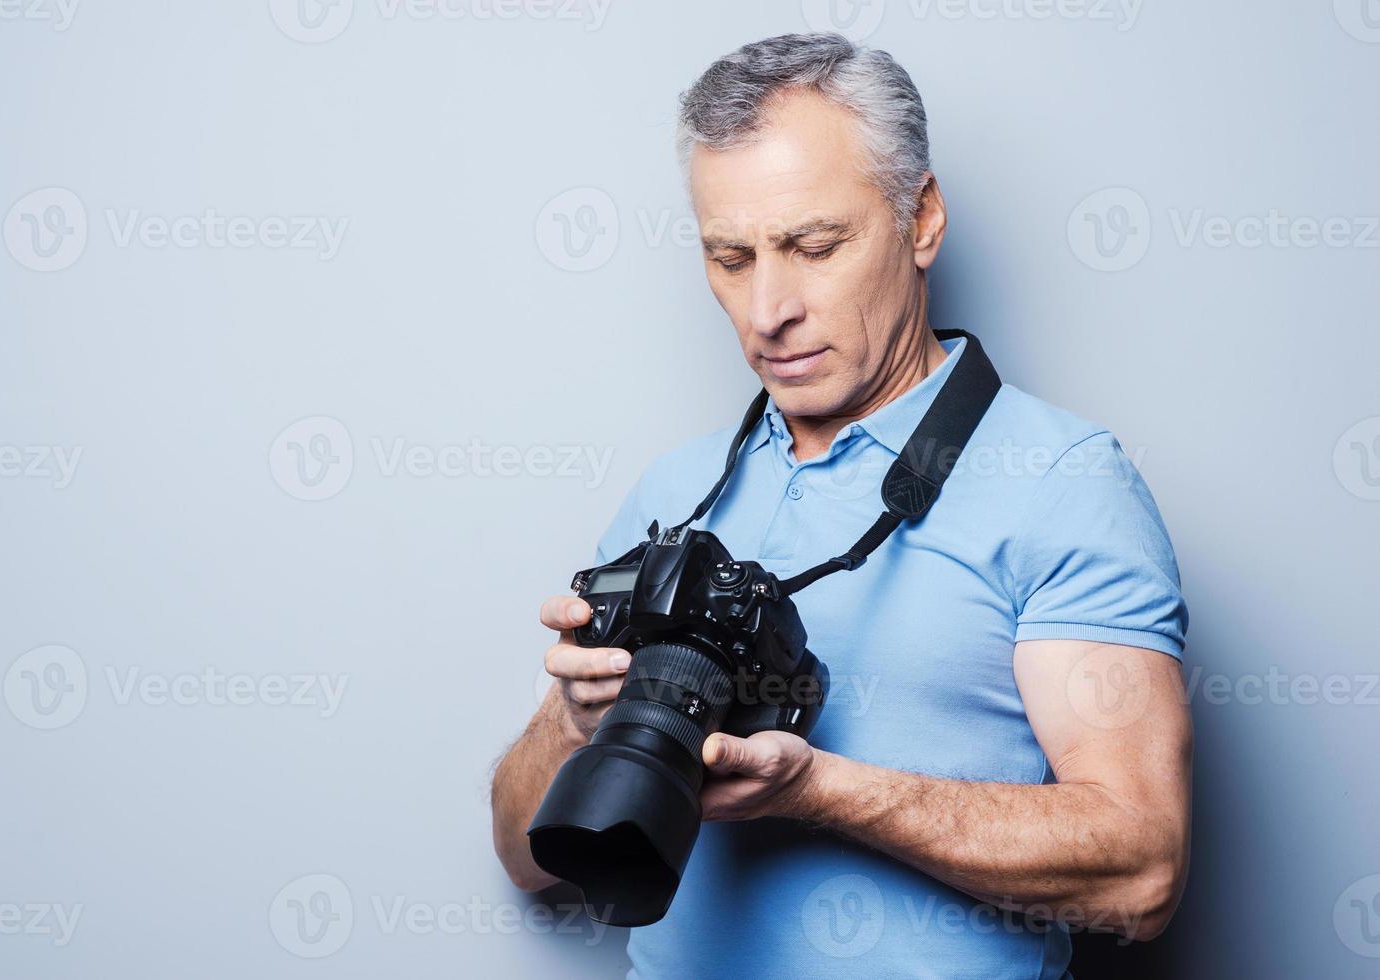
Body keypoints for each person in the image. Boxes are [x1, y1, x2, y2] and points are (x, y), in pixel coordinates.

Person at [491, 32, 1191, 979]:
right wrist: (571, 720)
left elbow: (1141, 872)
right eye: (729, 258)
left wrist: (819, 790)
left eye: (812, 246)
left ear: (922, 218)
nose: (766, 308)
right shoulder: (675, 491)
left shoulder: (1062, 478)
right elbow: (525, 857)